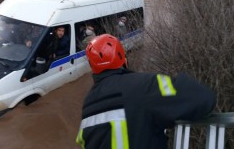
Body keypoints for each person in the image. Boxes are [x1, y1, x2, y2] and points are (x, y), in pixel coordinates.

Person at [76, 34, 216, 149]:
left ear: (92, 68)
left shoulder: (87, 107)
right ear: (123, 58)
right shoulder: (145, 85)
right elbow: (203, 98)